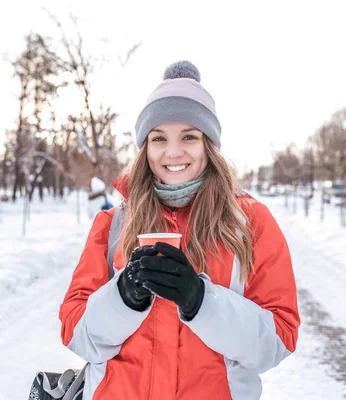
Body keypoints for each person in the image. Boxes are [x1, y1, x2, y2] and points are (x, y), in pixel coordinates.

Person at [59, 61, 300, 400]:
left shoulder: (251, 224)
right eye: (159, 138)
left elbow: (278, 340)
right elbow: (76, 333)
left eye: (189, 136)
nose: (173, 152)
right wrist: (123, 298)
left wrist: (201, 301)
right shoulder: (113, 224)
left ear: (209, 145)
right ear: (145, 149)